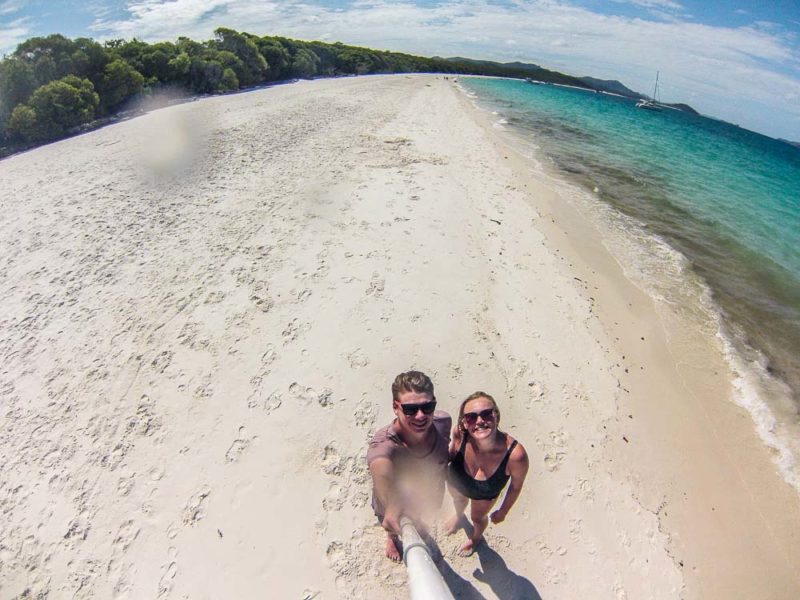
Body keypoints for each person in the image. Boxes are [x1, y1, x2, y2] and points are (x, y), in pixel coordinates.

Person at [367, 371, 452, 562]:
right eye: (410, 409)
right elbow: (380, 468)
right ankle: (391, 538)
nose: (421, 416)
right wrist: (391, 509)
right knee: (391, 521)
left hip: (428, 492)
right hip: (394, 498)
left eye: (427, 407)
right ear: (395, 407)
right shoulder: (384, 446)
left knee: (419, 513)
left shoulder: (443, 422)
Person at [445, 391, 529, 556]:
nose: (480, 421)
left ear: (496, 415)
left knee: (477, 518)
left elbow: (516, 486)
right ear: (464, 422)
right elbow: (450, 454)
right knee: (458, 500)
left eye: (486, 414)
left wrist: (503, 511)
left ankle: (475, 538)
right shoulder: (459, 434)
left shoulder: (515, 455)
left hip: (484, 494)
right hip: (456, 479)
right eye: (471, 417)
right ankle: (458, 515)